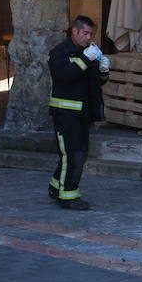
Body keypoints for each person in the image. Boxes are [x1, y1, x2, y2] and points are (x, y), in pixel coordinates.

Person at [47, 15, 110, 211]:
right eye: (85, 33)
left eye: (91, 34)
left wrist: (103, 70)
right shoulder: (60, 52)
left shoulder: (87, 52)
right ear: (74, 31)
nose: (88, 37)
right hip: (66, 113)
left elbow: (94, 83)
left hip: (83, 114)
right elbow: (64, 75)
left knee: (75, 154)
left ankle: (56, 187)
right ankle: (68, 196)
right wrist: (86, 59)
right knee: (74, 155)